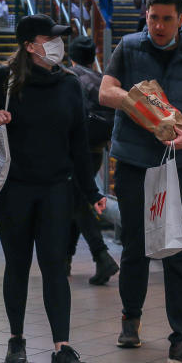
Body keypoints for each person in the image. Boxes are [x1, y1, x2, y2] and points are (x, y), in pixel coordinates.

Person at [0, 14, 106, 363]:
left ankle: (61, 350)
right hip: (13, 191)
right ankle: (16, 339)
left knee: (55, 266)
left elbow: (79, 145)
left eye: (59, 38)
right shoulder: (4, 79)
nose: (57, 44)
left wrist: (91, 191)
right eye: (49, 38)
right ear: (29, 45)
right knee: (18, 264)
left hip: (56, 188)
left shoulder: (69, 84)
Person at [98, 0, 182, 363]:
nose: (159, 26)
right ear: (145, 16)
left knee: (179, 249)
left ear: (181, 19)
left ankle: (180, 340)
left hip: (180, 165)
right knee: (135, 244)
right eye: (154, 18)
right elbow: (105, 91)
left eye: (167, 19)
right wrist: (135, 103)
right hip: (135, 161)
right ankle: (130, 318)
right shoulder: (129, 47)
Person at [67, 35, 120, 285]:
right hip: (97, 151)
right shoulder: (101, 80)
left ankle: (102, 256)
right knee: (77, 203)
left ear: (72, 56)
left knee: (77, 203)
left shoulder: (70, 78)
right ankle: (66, 260)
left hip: (74, 152)